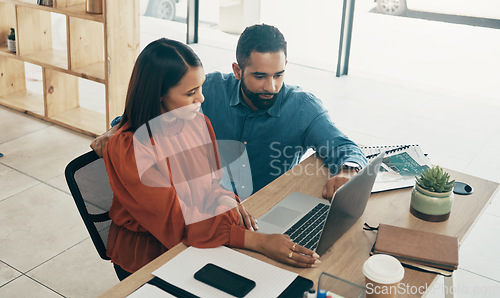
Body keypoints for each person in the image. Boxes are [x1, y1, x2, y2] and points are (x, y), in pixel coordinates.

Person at [104, 38, 320, 280]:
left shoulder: (197, 122)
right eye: (190, 93)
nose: (201, 99)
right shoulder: (130, 149)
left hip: (200, 236)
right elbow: (177, 224)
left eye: (201, 88)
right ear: (159, 96)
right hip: (151, 259)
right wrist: (258, 241)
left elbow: (214, 184)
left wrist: (226, 200)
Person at [92, 24, 367, 201]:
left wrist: (348, 170)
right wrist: (116, 129)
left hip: (263, 210)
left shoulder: (302, 107)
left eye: (278, 75)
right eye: (259, 76)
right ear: (237, 70)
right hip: (203, 207)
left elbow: (345, 147)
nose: (271, 87)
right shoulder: (207, 89)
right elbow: (149, 117)